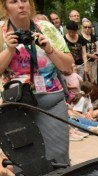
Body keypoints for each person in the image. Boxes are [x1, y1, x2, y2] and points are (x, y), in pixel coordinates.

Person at [0, 0, 75, 165]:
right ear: (5, 7)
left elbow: (67, 66)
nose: (21, 5)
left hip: (51, 103)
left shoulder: (46, 27)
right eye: (14, 1)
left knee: (59, 158)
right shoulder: (0, 32)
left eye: (24, 0)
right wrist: (9, 50)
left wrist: (49, 48)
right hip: (16, 107)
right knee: (26, 162)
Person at [80, 18, 98, 84]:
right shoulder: (80, 37)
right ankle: (88, 93)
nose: (87, 29)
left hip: (94, 61)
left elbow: (96, 47)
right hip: (86, 62)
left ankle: (94, 93)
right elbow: (81, 51)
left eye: (89, 27)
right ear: (82, 27)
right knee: (87, 79)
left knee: (94, 79)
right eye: (85, 27)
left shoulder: (93, 37)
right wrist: (91, 55)